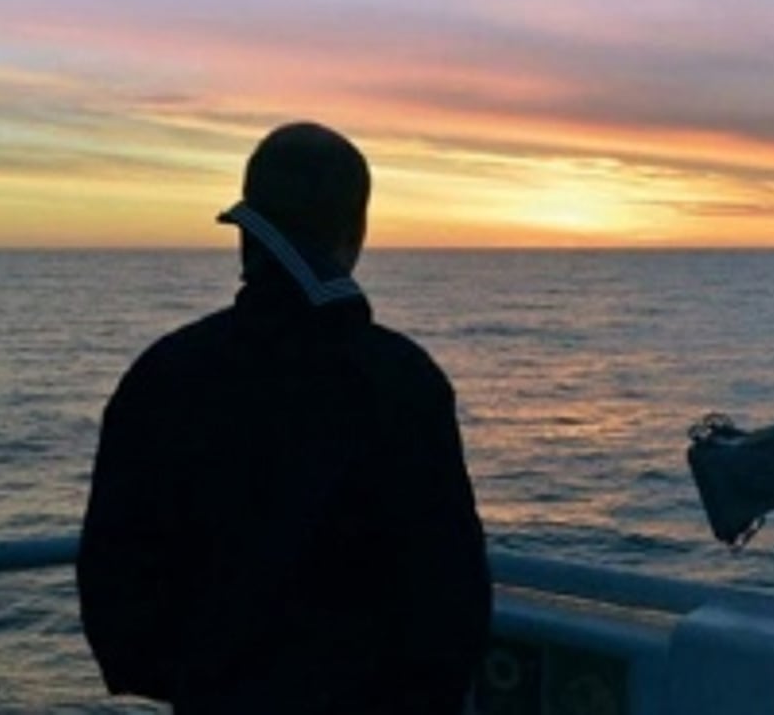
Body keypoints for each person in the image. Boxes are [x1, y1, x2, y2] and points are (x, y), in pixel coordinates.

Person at [77, 122, 492, 714]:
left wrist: (210, 675)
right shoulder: (401, 380)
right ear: (356, 233)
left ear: (246, 236)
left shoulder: (166, 375)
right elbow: (452, 598)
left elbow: (114, 590)